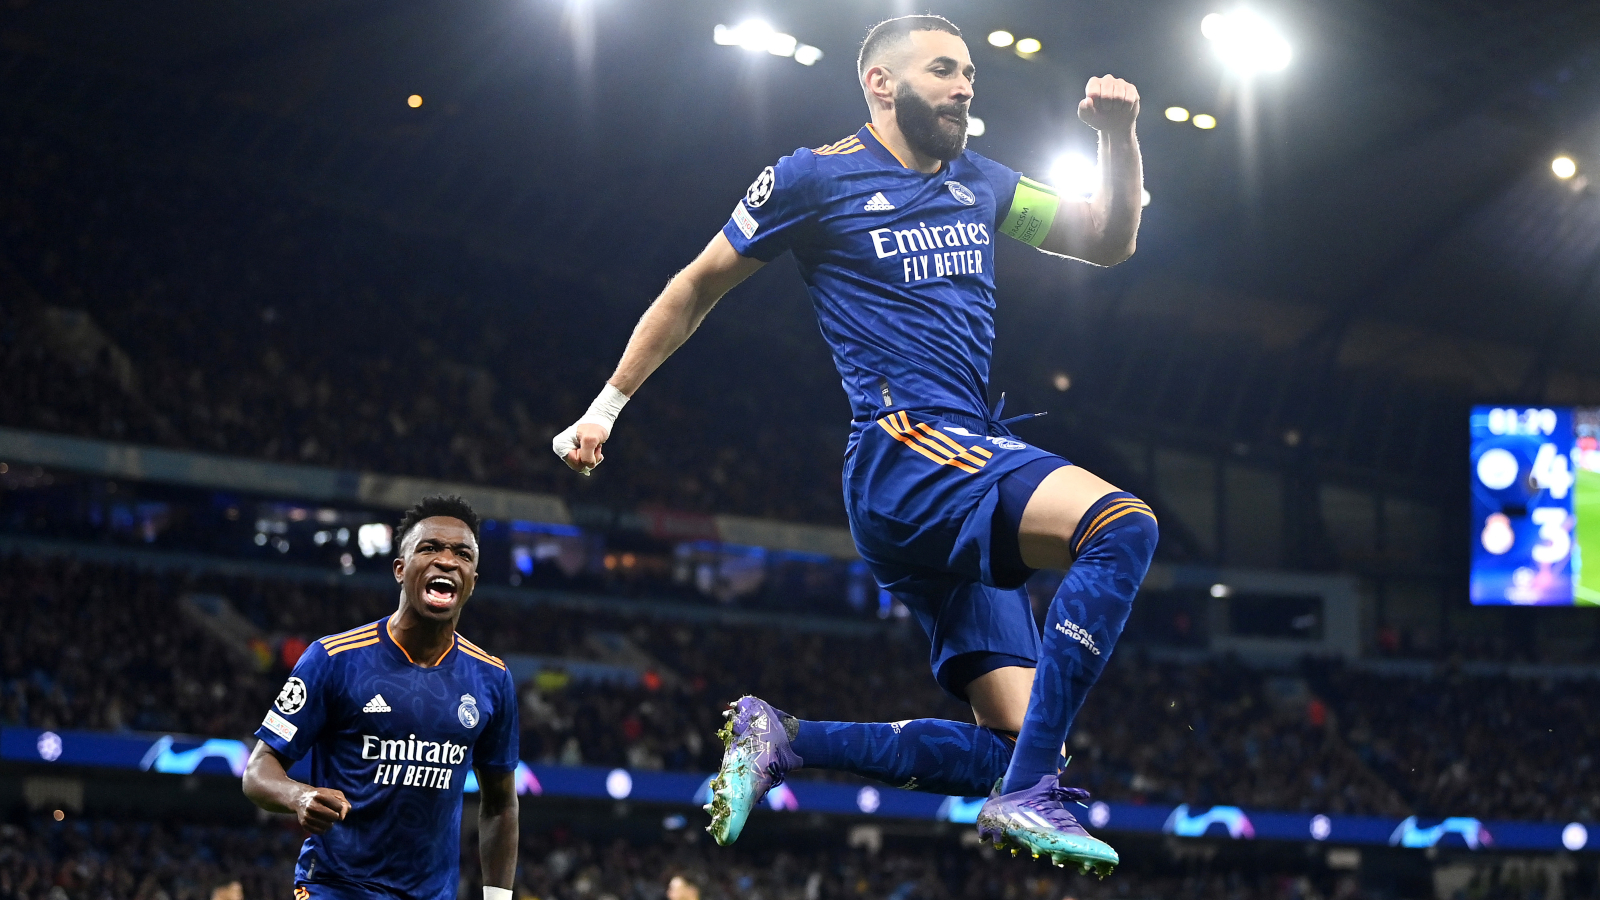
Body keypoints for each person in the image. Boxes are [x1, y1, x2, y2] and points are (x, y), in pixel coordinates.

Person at [553, 15, 1154, 875]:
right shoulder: (812, 178)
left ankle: (787, 739)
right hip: (905, 451)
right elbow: (695, 287)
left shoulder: (980, 182)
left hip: (960, 465)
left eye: (970, 73)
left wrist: (1121, 138)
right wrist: (606, 408)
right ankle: (1030, 801)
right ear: (881, 84)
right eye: (944, 70)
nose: (964, 86)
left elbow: (1108, 239)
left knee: (1017, 747)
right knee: (1122, 525)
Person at [242, 495, 521, 900]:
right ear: (400, 569)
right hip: (335, 888)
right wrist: (298, 795)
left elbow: (500, 805)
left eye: (462, 554)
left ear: (472, 581)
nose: (447, 560)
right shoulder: (333, 659)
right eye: (429, 548)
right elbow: (258, 771)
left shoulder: (492, 679)